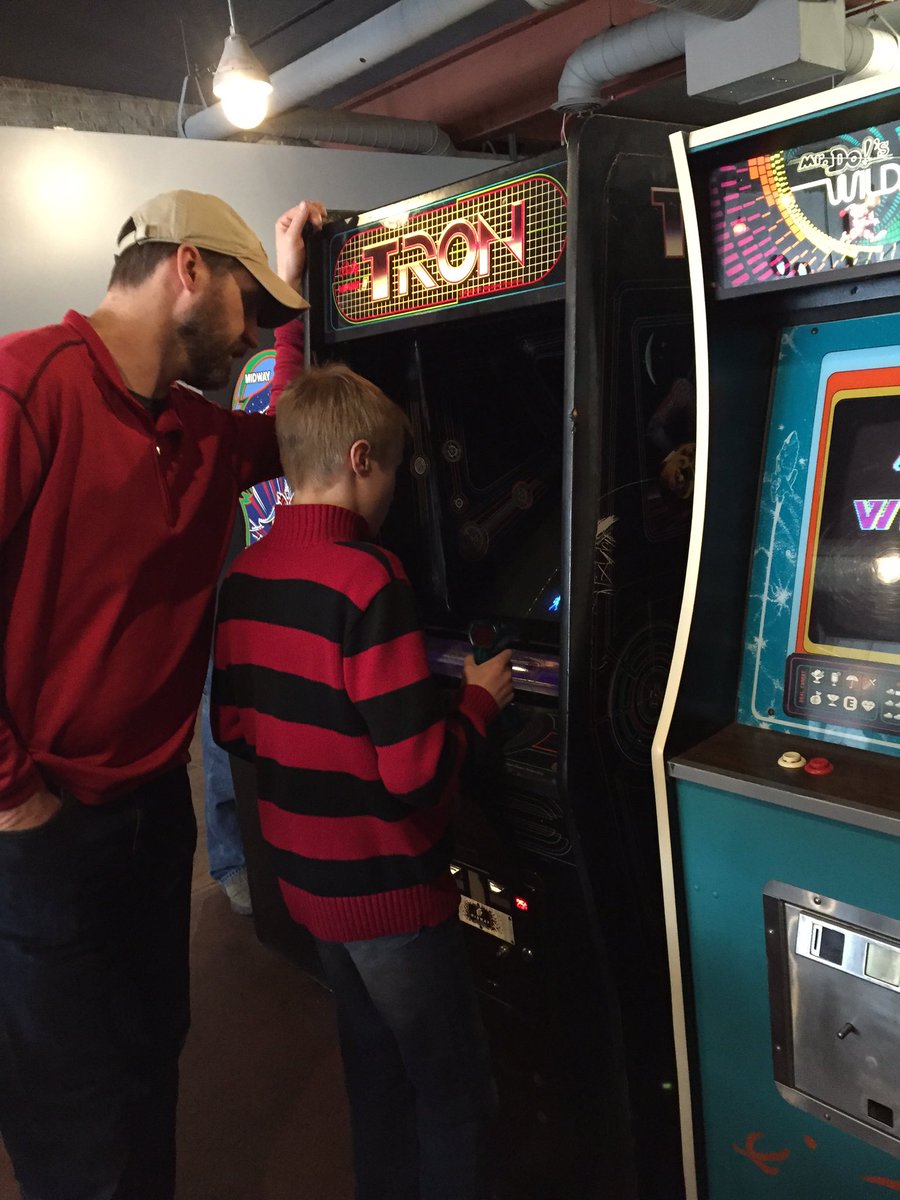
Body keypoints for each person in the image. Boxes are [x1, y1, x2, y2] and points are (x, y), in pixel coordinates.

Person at [0, 188, 326, 1200]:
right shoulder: (27, 387)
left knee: (150, 1064)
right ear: (189, 269)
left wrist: (298, 301)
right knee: (71, 1106)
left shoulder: (193, 429)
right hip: (40, 827)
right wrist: (15, 796)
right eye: (248, 304)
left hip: (151, 812)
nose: (253, 334)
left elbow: (288, 439)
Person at [211, 362, 514, 1200]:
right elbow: (415, 775)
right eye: (390, 470)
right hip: (388, 894)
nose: (393, 496)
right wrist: (478, 706)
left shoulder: (244, 578)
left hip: (308, 885)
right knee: (454, 1092)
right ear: (358, 460)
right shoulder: (369, 578)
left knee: (373, 1069)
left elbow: (232, 727)